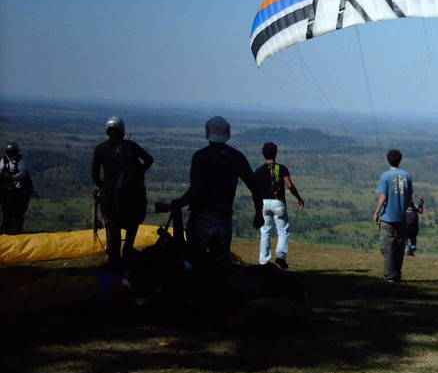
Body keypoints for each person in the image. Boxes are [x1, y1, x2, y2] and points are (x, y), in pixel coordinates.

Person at [169, 116, 259, 273]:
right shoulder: (236, 157)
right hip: (223, 219)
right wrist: (259, 213)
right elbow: (254, 186)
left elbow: (195, 191)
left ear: (207, 132)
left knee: (195, 264)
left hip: (200, 218)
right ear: (227, 132)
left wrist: (178, 203)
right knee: (220, 267)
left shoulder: (201, 157)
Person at [91, 117, 154, 273]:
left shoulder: (101, 148)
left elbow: (94, 174)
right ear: (122, 130)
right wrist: (138, 173)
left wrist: (102, 187)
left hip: (111, 196)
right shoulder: (131, 146)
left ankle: (114, 261)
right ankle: (128, 252)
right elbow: (149, 159)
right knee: (132, 224)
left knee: (113, 227)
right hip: (134, 195)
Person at [254, 142, 305, 269]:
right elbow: (290, 186)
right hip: (278, 203)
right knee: (283, 230)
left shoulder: (259, 171)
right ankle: (281, 255)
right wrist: (299, 198)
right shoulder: (281, 169)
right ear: (276, 153)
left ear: (263, 154)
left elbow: (255, 189)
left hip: (264, 203)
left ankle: (264, 260)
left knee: (265, 231)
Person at [373, 149, 412, 283]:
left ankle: (390, 275)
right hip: (401, 216)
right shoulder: (407, 175)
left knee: (387, 246)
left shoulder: (385, 176)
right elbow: (409, 197)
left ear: (388, 160)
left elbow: (383, 197)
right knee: (400, 246)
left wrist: (377, 212)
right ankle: (397, 273)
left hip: (388, 216)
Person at [0, 142, 32, 235]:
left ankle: (18, 228)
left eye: (12, 152)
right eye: (9, 152)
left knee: (18, 210)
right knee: (6, 209)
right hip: (7, 189)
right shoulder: (4, 160)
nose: (10, 154)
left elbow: (21, 173)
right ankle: (6, 228)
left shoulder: (21, 160)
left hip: (20, 190)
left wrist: (11, 177)